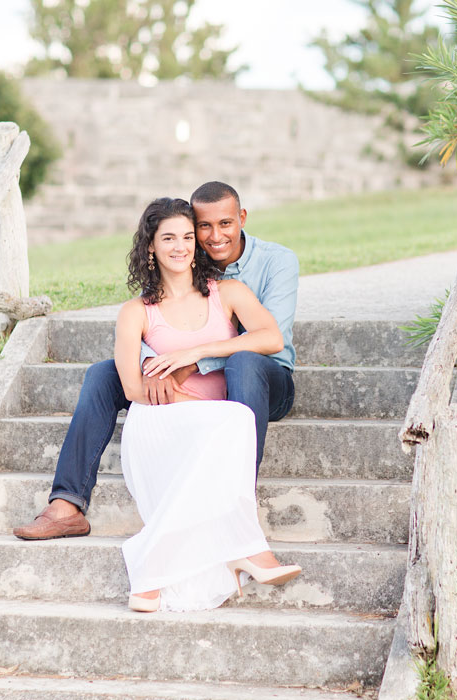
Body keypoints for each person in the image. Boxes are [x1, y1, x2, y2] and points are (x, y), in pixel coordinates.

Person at [13, 181, 298, 542]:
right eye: (201, 229)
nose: (211, 238)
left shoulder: (270, 266)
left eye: (223, 225)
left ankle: (237, 501)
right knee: (103, 374)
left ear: (242, 219)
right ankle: (66, 505)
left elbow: (274, 340)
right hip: (196, 391)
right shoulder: (154, 296)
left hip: (265, 376)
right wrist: (155, 365)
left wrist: (194, 356)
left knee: (243, 361)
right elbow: (148, 339)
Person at [112, 197, 300, 612]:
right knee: (232, 421)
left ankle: (152, 574)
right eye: (168, 238)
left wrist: (199, 352)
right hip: (161, 420)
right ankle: (249, 551)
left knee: (233, 420)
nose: (180, 246)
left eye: (185, 237)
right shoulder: (134, 312)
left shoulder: (228, 292)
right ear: (150, 247)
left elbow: (271, 338)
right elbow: (129, 387)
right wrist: (177, 397)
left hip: (212, 424)